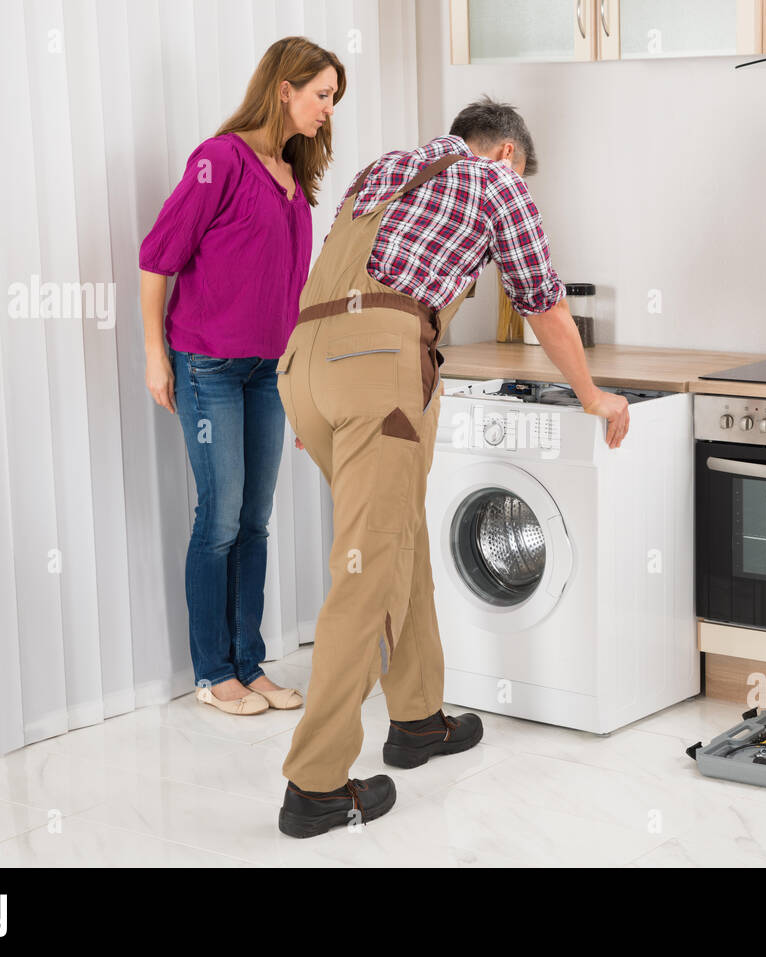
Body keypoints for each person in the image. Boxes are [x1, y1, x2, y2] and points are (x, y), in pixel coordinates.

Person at [274, 96, 631, 838]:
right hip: (378, 369)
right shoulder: (495, 181)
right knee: (366, 569)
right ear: (505, 153)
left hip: (306, 365)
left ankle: (418, 718)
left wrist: (322, 391)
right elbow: (546, 305)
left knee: (396, 538)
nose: (519, 180)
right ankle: (315, 787)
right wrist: (592, 395)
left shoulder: (386, 169)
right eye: (522, 169)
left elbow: (333, 282)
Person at [139, 37, 345, 717]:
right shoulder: (218, 160)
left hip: (269, 372)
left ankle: (249, 663)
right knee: (220, 517)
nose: (327, 110)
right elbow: (157, 258)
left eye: (334, 99)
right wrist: (153, 353)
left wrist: (303, 381)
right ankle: (212, 671)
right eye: (322, 94)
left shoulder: (293, 179)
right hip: (210, 366)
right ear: (284, 89)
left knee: (254, 520)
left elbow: (291, 294)